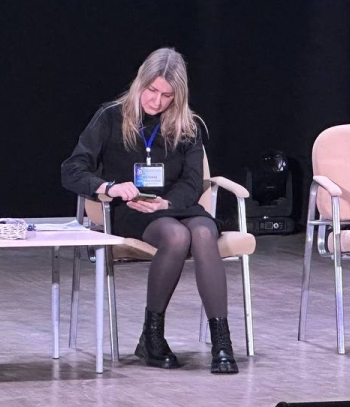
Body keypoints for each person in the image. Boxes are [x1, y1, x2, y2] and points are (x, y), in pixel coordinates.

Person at [61, 47, 238, 374]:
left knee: (202, 230)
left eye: (166, 96)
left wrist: (168, 203)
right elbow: (72, 170)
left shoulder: (187, 126)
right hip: (131, 211)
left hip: (175, 206)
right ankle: (152, 337)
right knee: (176, 235)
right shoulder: (110, 117)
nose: (156, 102)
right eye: (152, 91)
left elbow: (192, 180)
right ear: (140, 83)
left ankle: (222, 342)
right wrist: (110, 187)